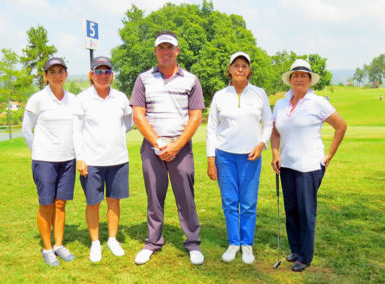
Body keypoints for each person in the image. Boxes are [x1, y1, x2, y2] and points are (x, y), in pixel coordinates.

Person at [130, 31, 205, 265]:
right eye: (161, 48)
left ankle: (193, 243)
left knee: (186, 197)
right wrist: (159, 143)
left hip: (181, 148)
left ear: (177, 51)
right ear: (155, 52)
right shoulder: (143, 79)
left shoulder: (191, 80)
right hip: (152, 147)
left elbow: (195, 116)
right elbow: (138, 115)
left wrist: (176, 145)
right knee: (154, 197)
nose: (165, 52)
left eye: (169, 47)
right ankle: (153, 242)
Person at [271, 59, 347, 272]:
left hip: (310, 167)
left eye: (304, 75)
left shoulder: (318, 102)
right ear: (290, 79)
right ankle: (295, 249)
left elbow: (341, 126)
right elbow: (275, 132)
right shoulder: (281, 104)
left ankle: (305, 256)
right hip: (286, 165)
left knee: (306, 211)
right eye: (295, 75)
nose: (299, 79)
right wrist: (275, 153)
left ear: (310, 79)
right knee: (292, 210)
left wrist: (329, 155)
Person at [206, 52, 273, 264]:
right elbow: (211, 129)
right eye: (236, 65)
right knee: (229, 202)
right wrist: (211, 160)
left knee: (248, 203)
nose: (240, 69)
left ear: (249, 71)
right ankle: (234, 243)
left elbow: (268, 124)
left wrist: (262, 144)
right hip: (224, 156)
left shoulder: (259, 94)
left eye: (244, 65)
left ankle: (247, 244)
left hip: (251, 156)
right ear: (230, 69)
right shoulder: (220, 95)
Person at [73, 56, 133, 262]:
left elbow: (129, 121)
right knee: (93, 202)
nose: (103, 75)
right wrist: (80, 157)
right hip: (92, 161)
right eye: (98, 72)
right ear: (91, 75)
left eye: (107, 71)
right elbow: (76, 131)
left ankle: (112, 239)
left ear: (112, 75)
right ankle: (95, 242)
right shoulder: (82, 99)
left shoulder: (121, 98)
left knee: (114, 201)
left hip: (118, 159)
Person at [22, 57, 76, 266]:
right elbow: (27, 131)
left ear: (66, 74)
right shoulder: (37, 99)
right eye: (51, 72)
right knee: (46, 204)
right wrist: (38, 152)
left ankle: (59, 245)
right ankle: (47, 248)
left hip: (67, 159)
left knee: (60, 204)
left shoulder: (73, 99)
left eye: (60, 71)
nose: (56, 75)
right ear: (45, 76)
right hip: (44, 160)